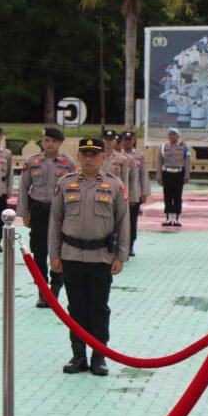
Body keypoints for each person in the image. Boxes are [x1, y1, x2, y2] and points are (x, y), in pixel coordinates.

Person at [48, 138, 129, 377]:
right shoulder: (65, 184)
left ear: (103, 157)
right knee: (76, 308)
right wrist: (54, 254)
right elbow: (55, 221)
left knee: (98, 308)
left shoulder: (114, 185)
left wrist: (120, 256)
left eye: (94, 154)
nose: (89, 158)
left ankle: (99, 356)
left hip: (101, 257)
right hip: (71, 255)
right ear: (79, 156)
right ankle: (78, 355)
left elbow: (123, 222)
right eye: (85, 153)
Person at [17, 126, 78, 308]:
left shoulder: (68, 163)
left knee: (58, 251)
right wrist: (24, 213)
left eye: (54, 141)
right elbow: (23, 188)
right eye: (47, 140)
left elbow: (74, 190)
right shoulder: (32, 162)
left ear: (60, 143)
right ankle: (42, 291)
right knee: (39, 252)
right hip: (38, 212)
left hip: (60, 214)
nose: (50, 144)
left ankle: (55, 288)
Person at [121, 131, 151, 256]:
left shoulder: (139, 155)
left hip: (134, 194)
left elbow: (143, 174)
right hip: (119, 194)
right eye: (125, 139)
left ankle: (130, 246)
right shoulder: (116, 155)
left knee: (132, 222)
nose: (128, 141)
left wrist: (144, 193)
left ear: (134, 140)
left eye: (130, 139)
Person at [157, 128, 190, 227]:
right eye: (171, 135)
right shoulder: (164, 147)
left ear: (178, 136)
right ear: (168, 136)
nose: (172, 136)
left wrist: (187, 175)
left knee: (177, 196)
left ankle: (176, 218)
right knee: (167, 196)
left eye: (174, 135)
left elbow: (187, 162)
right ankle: (168, 218)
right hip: (167, 173)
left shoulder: (183, 147)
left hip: (178, 174)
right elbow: (159, 162)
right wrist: (159, 177)